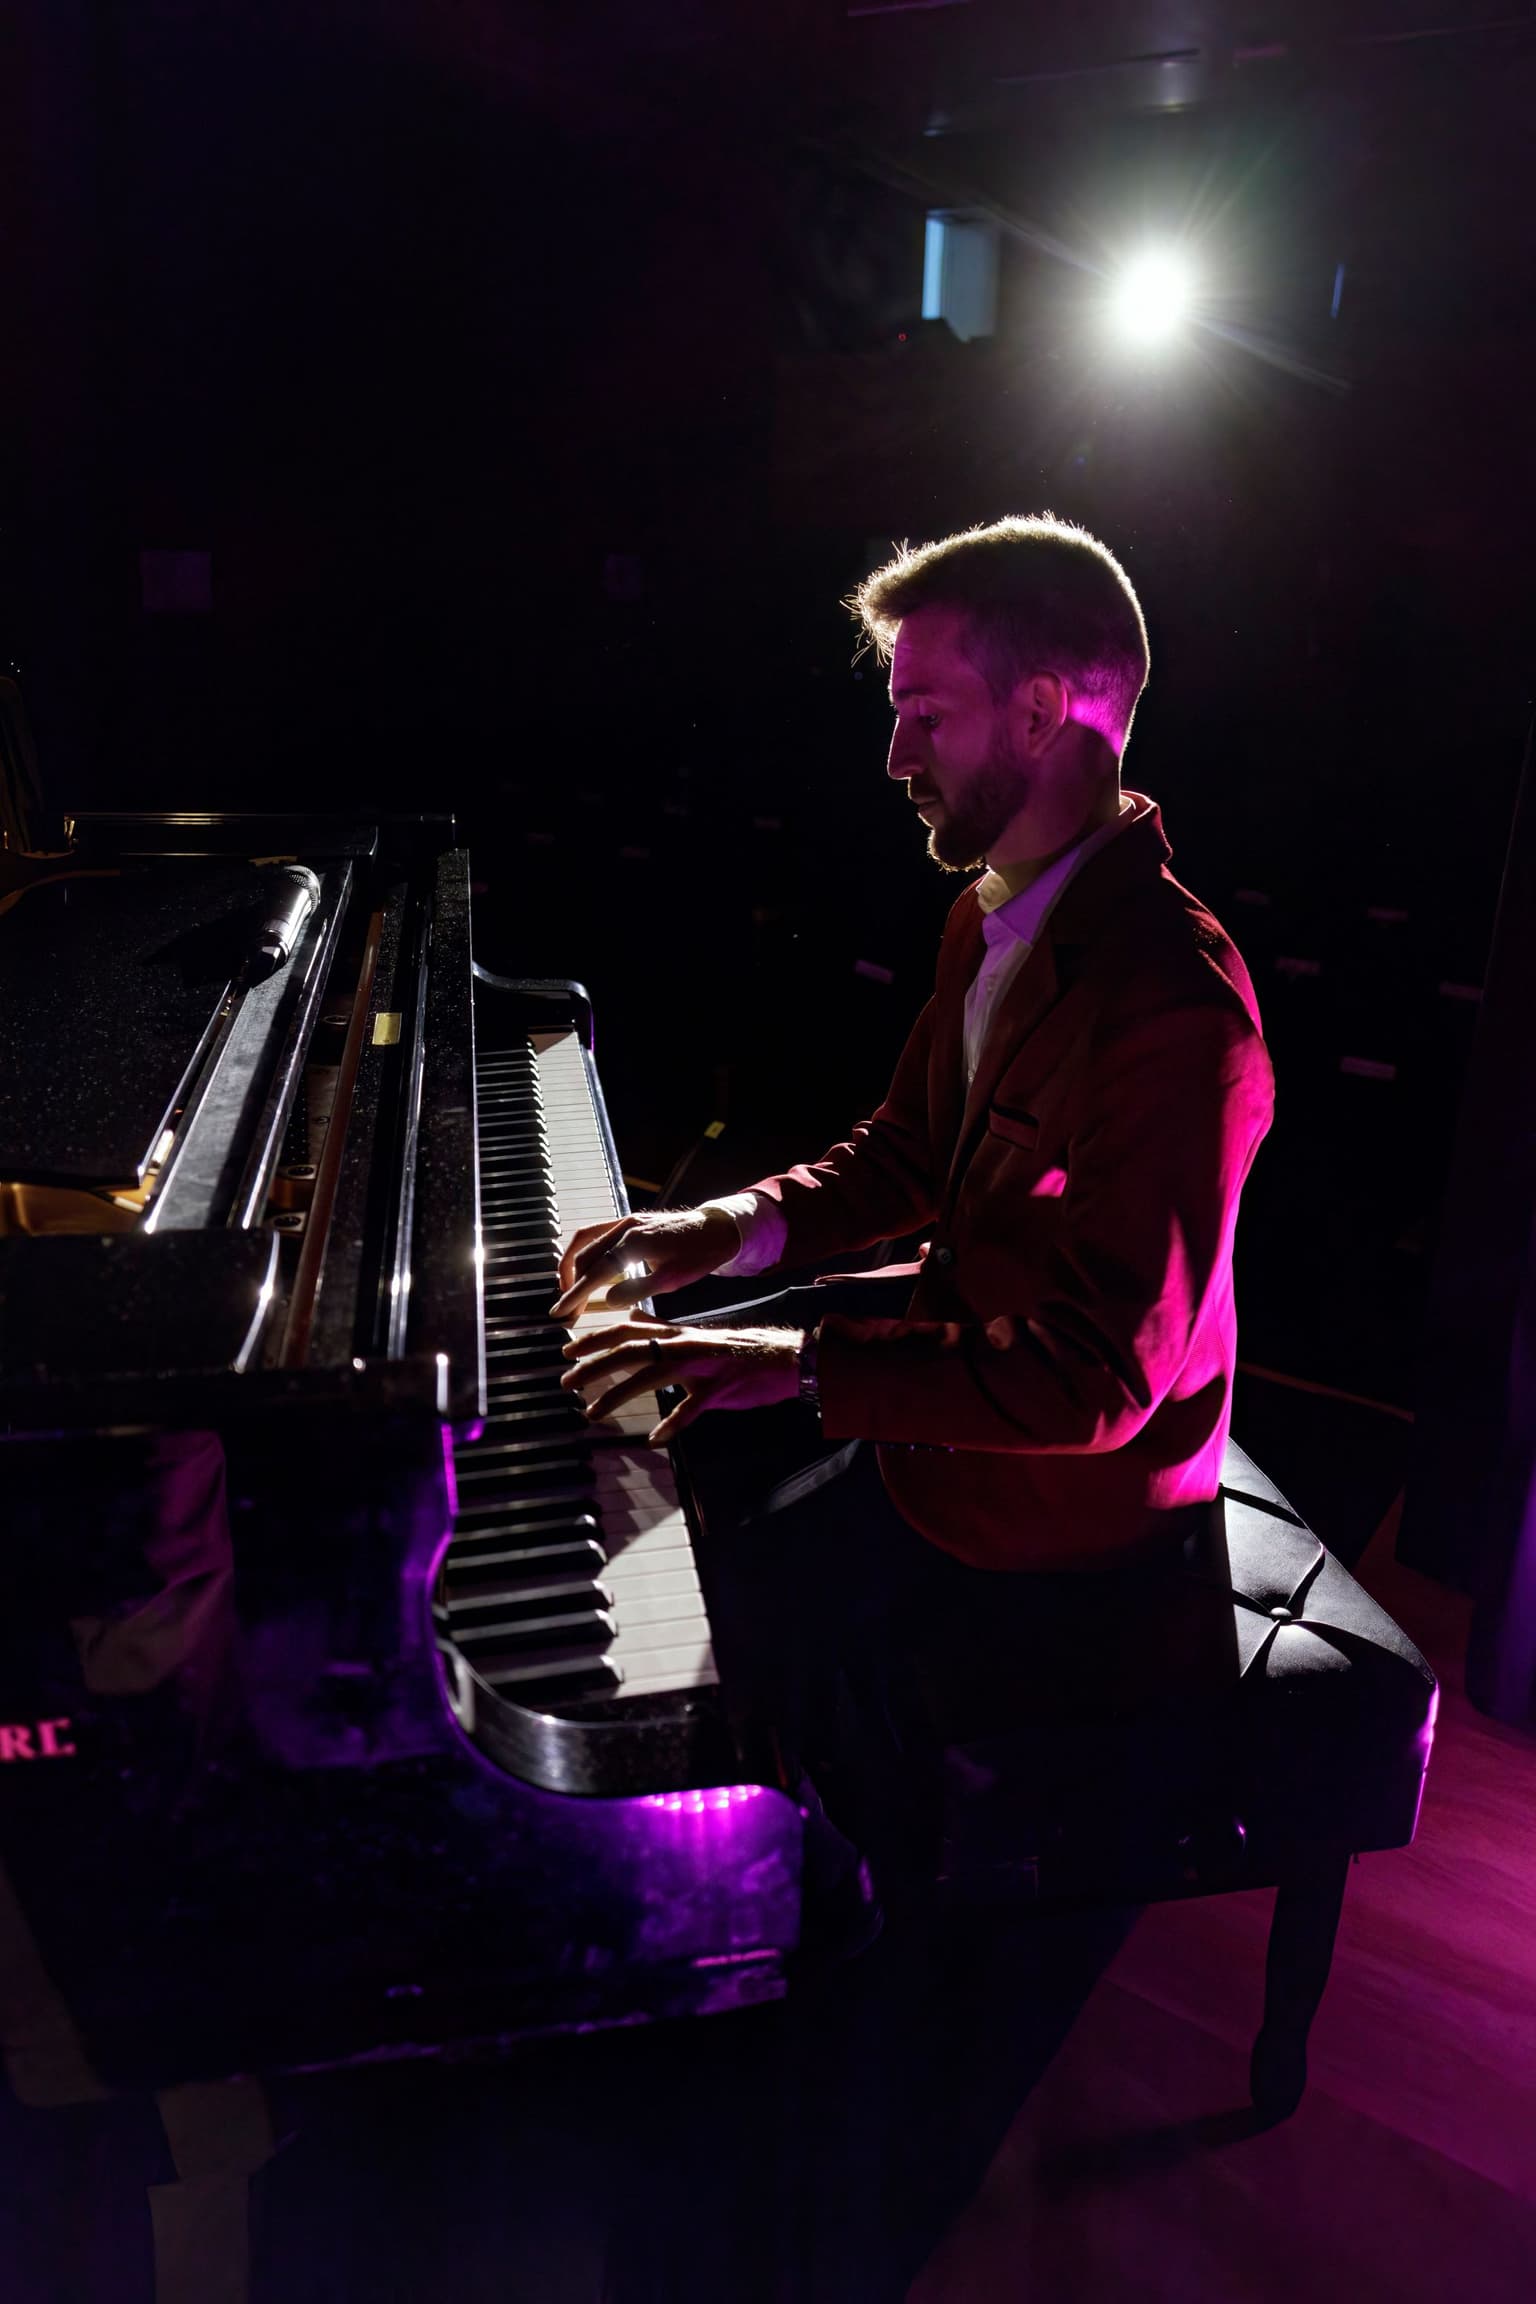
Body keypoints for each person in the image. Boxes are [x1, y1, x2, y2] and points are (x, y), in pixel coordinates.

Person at [554, 513, 1274, 1800]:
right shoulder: (989, 909)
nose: (894, 756)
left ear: (1043, 708)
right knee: (668, 1452)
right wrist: (709, 1235)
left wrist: (796, 1360)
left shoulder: (1178, 1010)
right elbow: (904, 1156)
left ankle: (805, 1909)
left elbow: (1098, 1382)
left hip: (1060, 1503)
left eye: (926, 714)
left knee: (722, 1609)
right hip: (961, 1367)